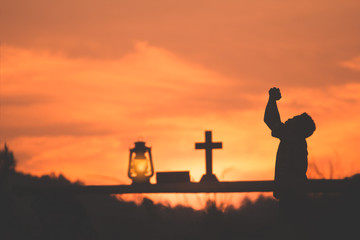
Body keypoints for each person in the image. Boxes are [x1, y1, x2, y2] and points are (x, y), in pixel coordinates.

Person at [264, 87, 316, 207]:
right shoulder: (298, 141)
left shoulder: (291, 138)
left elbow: (271, 120)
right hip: (295, 193)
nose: (289, 119)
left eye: (294, 119)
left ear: (297, 127)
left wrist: (272, 99)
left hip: (290, 195)